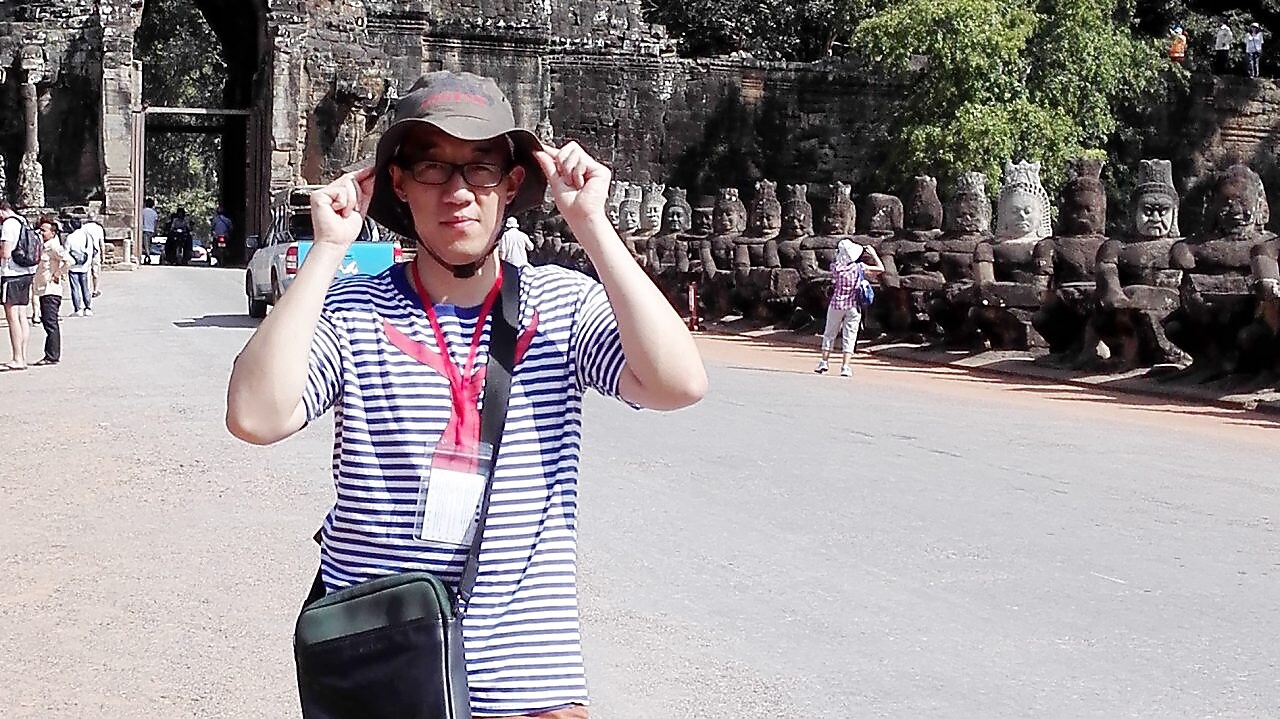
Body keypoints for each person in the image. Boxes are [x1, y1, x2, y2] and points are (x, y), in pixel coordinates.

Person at [225, 70, 707, 718]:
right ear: (397, 183)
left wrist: (591, 224)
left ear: (511, 185)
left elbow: (679, 382)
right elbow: (255, 415)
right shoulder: (354, 312)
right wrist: (326, 252)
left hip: (529, 686)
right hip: (384, 677)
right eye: (432, 167)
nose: (458, 192)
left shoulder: (560, 306)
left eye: (480, 169)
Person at [815, 239, 884, 378]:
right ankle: (845, 366)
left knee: (829, 333)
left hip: (836, 304)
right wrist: (874, 254)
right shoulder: (859, 267)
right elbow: (881, 269)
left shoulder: (835, 267)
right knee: (850, 336)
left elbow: (837, 261)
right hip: (853, 306)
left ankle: (824, 361)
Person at [1, 200, 37, 370]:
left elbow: (6, 252)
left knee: (12, 317)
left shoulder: (8, 224)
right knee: (22, 315)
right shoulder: (22, 220)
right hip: (27, 272)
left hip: (12, 274)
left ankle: (17, 358)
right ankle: (22, 354)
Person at [32, 215, 69, 366]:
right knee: (48, 322)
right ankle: (50, 353)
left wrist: (58, 273)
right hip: (42, 288)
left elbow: (69, 260)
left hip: (51, 289)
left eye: (44, 231)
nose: (41, 233)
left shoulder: (54, 246)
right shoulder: (43, 246)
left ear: (52, 233)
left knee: (50, 323)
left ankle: (52, 355)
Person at [63, 219, 94, 316]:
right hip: (84, 265)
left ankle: (78, 309)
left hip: (73, 266)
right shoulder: (87, 236)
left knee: (75, 288)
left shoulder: (70, 237)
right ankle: (88, 307)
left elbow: (66, 251)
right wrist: (88, 263)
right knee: (85, 287)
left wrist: (68, 263)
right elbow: (90, 251)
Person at [83, 214, 105, 297]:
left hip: (85, 251)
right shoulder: (99, 228)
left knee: (86, 271)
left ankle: (86, 290)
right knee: (95, 272)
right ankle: (95, 290)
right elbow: (101, 243)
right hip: (95, 252)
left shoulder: (83, 227)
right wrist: (103, 254)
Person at [142, 197, 158, 264]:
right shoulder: (154, 213)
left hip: (145, 229)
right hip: (151, 230)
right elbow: (155, 223)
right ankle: (147, 256)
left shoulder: (143, 211)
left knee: (145, 245)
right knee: (149, 244)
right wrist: (155, 230)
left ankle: (148, 256)